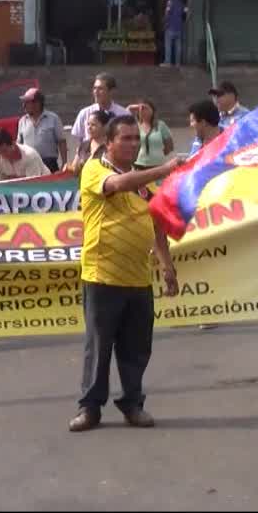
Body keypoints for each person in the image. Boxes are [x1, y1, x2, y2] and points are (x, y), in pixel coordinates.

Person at [69, 115, 183, 433]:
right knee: (99, 346)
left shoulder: (143, 183)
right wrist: (164, 169)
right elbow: (116, 186)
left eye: (136, 138)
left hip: (138, 277)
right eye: (126, 139)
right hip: (102, 275)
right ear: (109, 143)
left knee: (136, 347)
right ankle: (89, 408)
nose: (133, 144)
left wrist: (167, 265)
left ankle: (133, 404)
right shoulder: (95, 169)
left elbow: (157, 224)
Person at [70, 74, 129, 147]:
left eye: (100, 89)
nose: (96, 92)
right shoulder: (85, 113)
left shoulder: (123, 114)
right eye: (94, 88)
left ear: (111, 91)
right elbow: (76, 139)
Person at [17, 88, 66, 173]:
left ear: (37, 103)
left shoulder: (53, 118)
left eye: (27, 102)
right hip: (29, 166)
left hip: (49, 164)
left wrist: (64, 163)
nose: (24, 105)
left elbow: (61, 142)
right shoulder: (22, 121)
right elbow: (19, 145)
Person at [128, 100, 173, 170]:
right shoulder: (135, 125)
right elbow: (122, 118)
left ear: (152, 111)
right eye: (141, 109)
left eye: (146, 108)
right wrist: (130, 108)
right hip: (139, 164)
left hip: (158, 165)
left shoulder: (160, 125)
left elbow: (169, 146)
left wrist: (157, 154)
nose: (143, 111)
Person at [66, 110, 111, 175]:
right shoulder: (84, 145)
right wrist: (68, 167)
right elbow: (75, 169)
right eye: (88, 124)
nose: (89, 127)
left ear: (104, 126)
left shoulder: (111, 146)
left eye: (93, 125)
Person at [162, 0, 186, 67]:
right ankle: (177, 63)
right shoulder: (182, 4)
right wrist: (183, 23)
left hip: (170, 28)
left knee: (168, 45)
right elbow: (186, 14)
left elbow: (167, 13)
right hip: (179, 28)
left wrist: (165, 22)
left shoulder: (170, 2)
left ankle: (168, 62)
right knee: (178, 46)